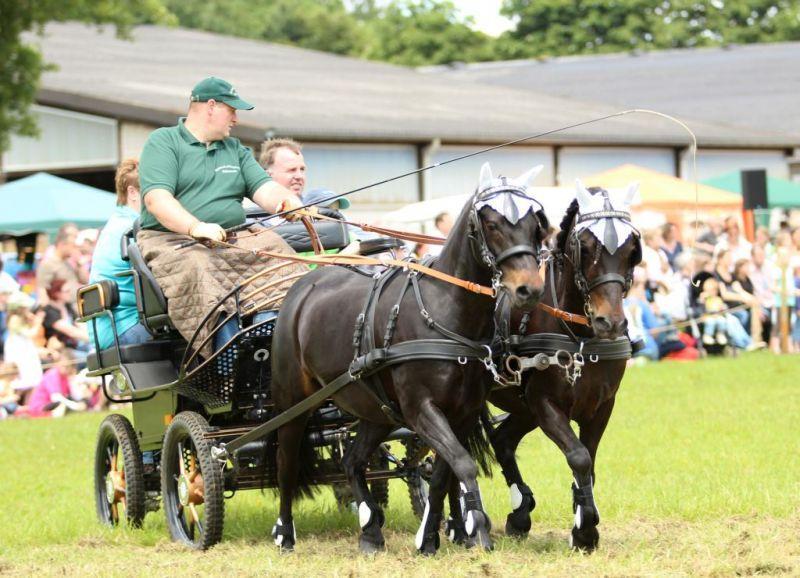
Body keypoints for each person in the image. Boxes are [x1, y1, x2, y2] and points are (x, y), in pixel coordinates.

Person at [136, 77, 307, 350]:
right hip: (175, 242)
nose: (236, 119)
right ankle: (228, 358)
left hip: (233, 239)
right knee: (198, 267)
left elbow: (265, 189)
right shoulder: (163, 142)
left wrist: (287, 202)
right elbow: (157, 199)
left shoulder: (235, 149)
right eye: (232, 110)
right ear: (211, 106)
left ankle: (275, 335)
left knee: (284, 255)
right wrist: (195, 227)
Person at [87, 158, 152, 350]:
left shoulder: (119, 222)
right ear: (132, 192)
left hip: (113, 328)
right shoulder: (130, 229)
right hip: (125, 327)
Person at [2, 291, 46, 403]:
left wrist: (32, 319)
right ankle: (15, 405)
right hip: (19, 351)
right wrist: (38, 322)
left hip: (25, 349)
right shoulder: (14, 319)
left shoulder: (22, 318)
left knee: (33, 379)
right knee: (21, 379)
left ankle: (29, 405)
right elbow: (31, 334)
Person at [36, 223, 85, 306]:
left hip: (74, 308)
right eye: (73, 246)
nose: (75, 249)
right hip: (63, 310)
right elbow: (42, 291)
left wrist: (79, 264)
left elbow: (84, 280)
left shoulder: (68, 262)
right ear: (62, 245)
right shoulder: (48, 264)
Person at [26, 350, 86, 418]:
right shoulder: (53, 374)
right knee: (62, 405)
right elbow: (55, 397)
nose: (66, 369)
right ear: (59, 363)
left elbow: (77, 396)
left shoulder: (66, 377)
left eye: (68, 367)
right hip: (41, 407)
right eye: (64, 366)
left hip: (54, 404)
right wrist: (75, 406)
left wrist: (72, 380)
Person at [42, 279, 89, 353]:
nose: (70, 293)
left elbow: (79, 323)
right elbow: (71, 332)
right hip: (62, 350)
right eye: (67, 291)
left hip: (76, 345)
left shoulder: (67, 305)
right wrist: (94, 339)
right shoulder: (49, 312)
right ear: (56, 293)